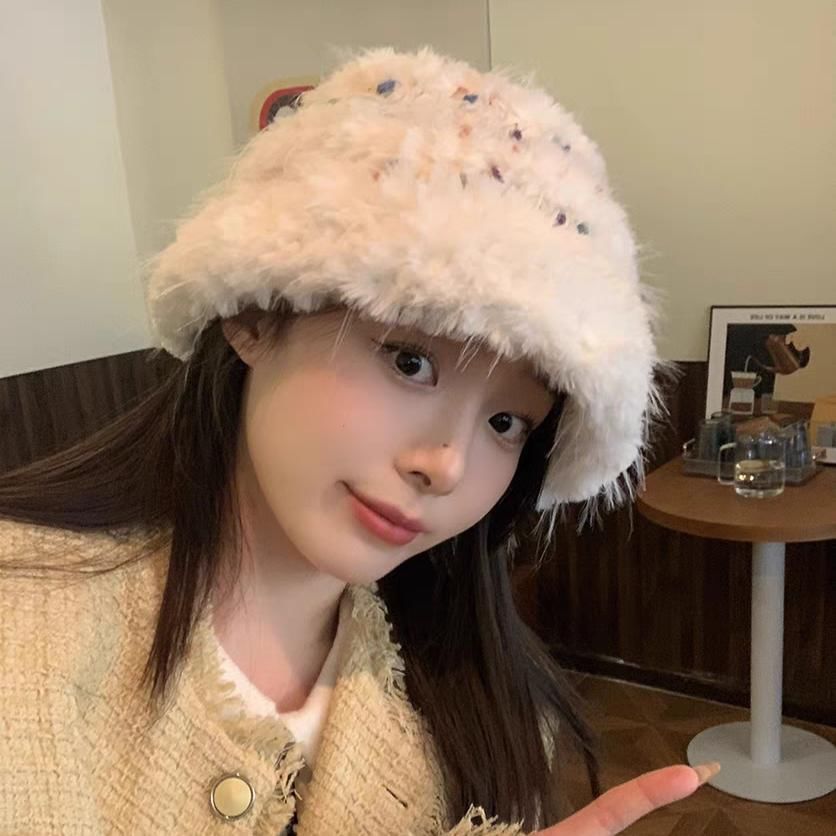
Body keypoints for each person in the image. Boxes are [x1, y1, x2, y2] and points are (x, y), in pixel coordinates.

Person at [0, 46, 719, 834]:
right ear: (255, 312)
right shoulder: (24, 634)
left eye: (506, 423)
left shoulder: (487, 714)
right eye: (410, 362)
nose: (447, 464)